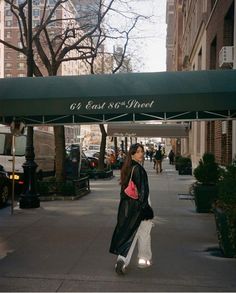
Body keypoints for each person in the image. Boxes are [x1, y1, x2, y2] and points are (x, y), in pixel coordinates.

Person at [109, 143, 154, 275]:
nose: (141, 154)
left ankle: (122, 260)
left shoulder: (127, 168)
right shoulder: (139, 169)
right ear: (132, 154)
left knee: (130, 233)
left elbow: (124, 191)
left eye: (142, 151)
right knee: (144, 232)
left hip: (128, 206)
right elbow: (143, 192)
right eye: (138, 152)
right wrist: (145, 209)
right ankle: (143, 259)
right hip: (140, 206)